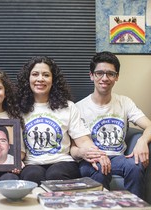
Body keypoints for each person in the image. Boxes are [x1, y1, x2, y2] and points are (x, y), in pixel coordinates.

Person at [16, 56, 110, 185]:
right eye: (35, 74)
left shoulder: (68, 106)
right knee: (33, 175)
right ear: (28, 79)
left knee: (55, 174)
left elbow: (82, 140)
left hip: (64, 162)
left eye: (46, 75)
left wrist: (97, 154)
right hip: (32, 163)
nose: (40, 79)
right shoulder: (18, 109)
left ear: (53, 80)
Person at [76, 51, 151, 199]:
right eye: (99, 73)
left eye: (110, 73)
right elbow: (76, 143)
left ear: (117, 77)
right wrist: (94, 155)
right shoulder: (78, 108)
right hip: (92, 159)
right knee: (98, 170)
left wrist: (142, 141)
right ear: (91, 75)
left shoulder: (124, 102)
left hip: (118, 158)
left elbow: (149, 125)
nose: (105, 78)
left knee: (135, 167)